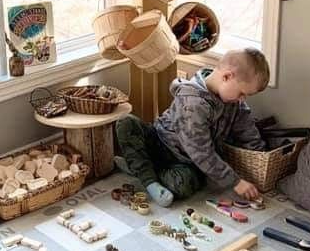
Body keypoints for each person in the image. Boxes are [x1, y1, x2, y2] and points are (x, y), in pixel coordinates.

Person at [115, 48, 269, 207]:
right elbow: (201, 151)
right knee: (126, 123)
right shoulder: (192, 103)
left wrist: (262, 157)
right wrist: (235, 182)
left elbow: (248, 131)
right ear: (227, 77)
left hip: (185, 161)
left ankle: (140, 166)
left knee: (183, 186)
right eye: (242, 93)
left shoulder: (235, 103)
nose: (242, 99)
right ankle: (149, 180)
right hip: (160, 142)